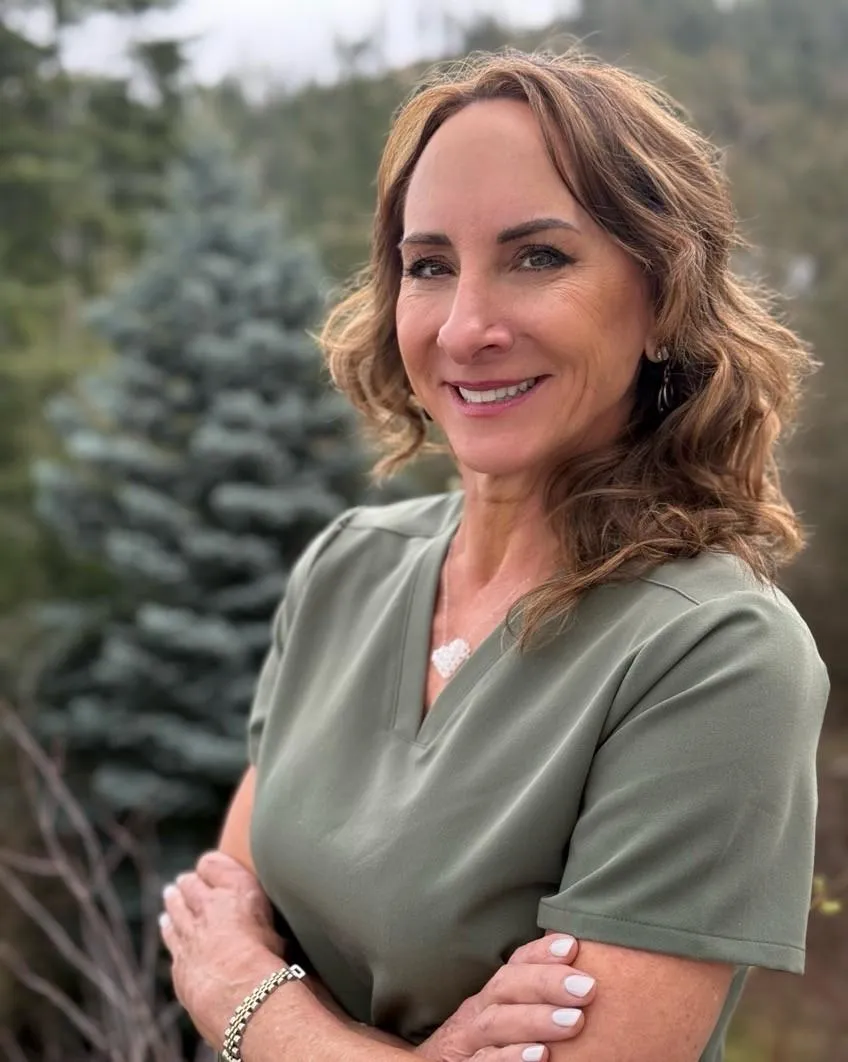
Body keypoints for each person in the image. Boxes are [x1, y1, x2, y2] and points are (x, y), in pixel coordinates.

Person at [159, 47, 829, 1062]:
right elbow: (222, 902)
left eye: (537, 257)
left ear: (661, 299)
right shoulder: (347, 568)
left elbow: (223, 960)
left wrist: (248, 1000)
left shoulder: (716, 656)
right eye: (428, 266)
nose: (466, 326)